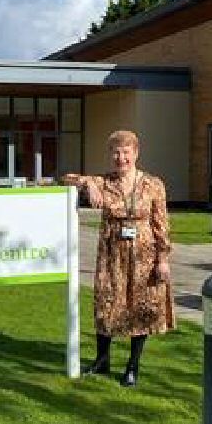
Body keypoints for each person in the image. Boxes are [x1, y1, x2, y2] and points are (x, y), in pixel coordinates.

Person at [63, 130, 175, 387]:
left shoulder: (153, 184)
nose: (120, 157)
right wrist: (88, 184)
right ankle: (102, 360)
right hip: (112, 254)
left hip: (144, 254)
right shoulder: (105, 180)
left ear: (136, 153)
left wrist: (163, 258)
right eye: (115, 151)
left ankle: (132, 366)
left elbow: (162, 224)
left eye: (126, 152)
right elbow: (67, 178)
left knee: (141, 306)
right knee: (106, 302)